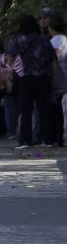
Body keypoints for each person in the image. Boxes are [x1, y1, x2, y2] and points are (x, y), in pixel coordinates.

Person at [7, 15, 56, 149]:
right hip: (44, 78)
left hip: (26, 79)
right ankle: (49, 140)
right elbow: (53, 59)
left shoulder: (18, 39)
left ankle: (25, 141)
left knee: (26, 110)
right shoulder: (44, 39)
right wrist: (53, 78)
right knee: (44, 110)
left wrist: (13, 71)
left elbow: (10, 58)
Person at [49, 15, 67, 147]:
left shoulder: (57, 40)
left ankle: (58, 137)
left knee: (57, 110)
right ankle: (58, 137)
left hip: (59, 77)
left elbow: (57, 55)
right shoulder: (62, 38)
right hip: (61, 76)